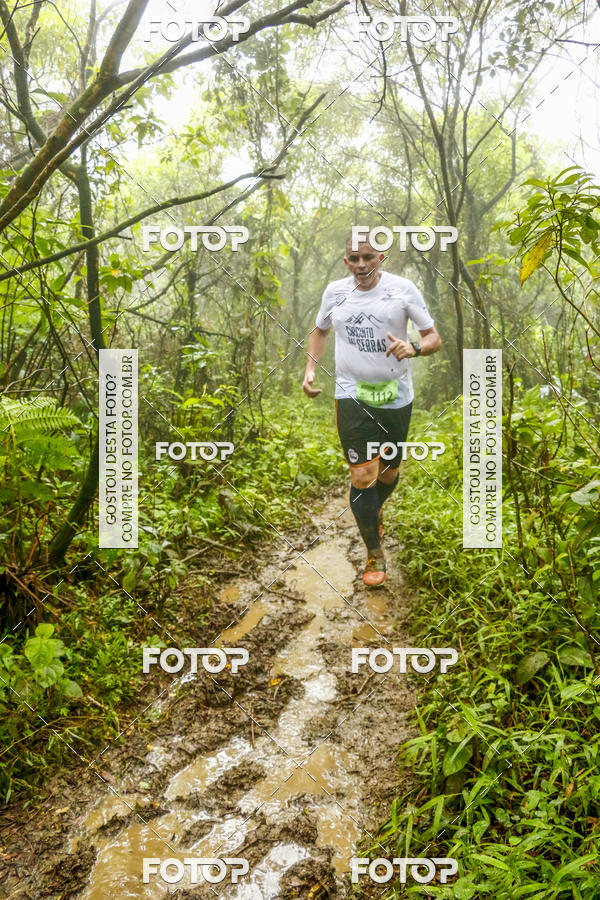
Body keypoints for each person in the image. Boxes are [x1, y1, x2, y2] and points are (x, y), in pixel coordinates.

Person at [302, 234, 442, 586]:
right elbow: (319, 331)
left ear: (381, 257)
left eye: (367, 257)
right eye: (353, 258)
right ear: (345, 261)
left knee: (389, 473)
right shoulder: (335, 292)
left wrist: (413, 348)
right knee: (362, 476)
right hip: (352, 395)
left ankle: (373, 510)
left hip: (395, 397)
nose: (361, 264)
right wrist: (310, 369)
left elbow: (433, 337)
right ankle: (374, 553)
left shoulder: (403, 289)